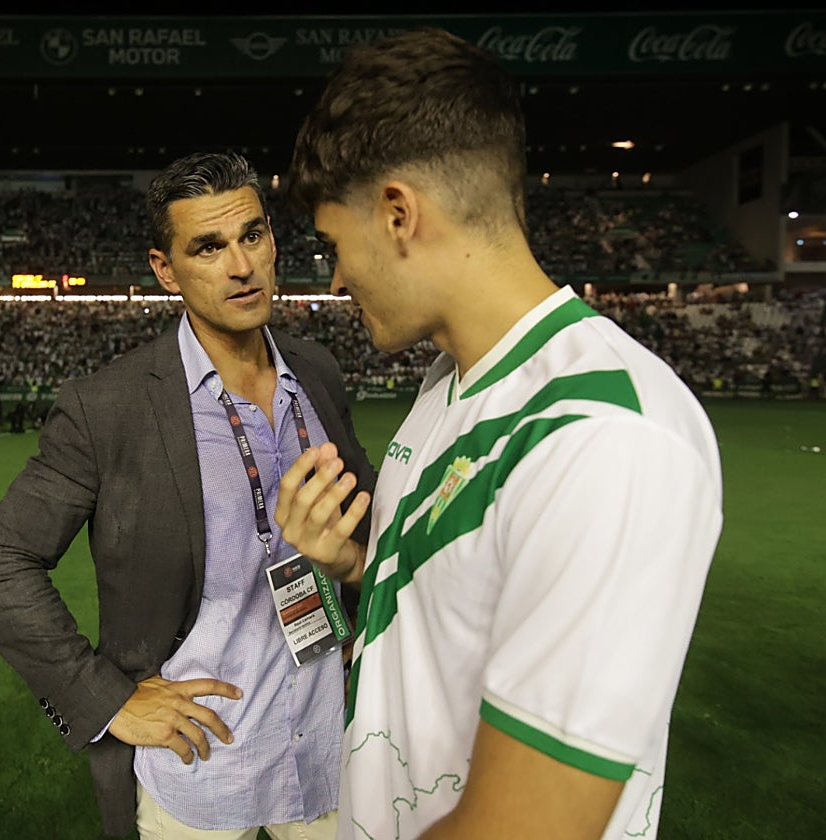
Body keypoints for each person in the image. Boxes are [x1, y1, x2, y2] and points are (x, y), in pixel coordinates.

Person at [273, 28, 724, 840]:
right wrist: (355, 565)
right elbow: (456, 604)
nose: (335, 277)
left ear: (398, 213)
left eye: (335, 244)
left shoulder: (607, 434)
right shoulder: (448, 381)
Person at [0, 151, 376, 839]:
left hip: (329, 748)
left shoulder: (317, 372)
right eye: (209, 248)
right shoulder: (109, 407)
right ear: (166, 269)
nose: (241, 265)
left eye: (252, 235)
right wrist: (106, 699)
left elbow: (371, 523)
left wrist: (355, 612)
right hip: (201, 765)